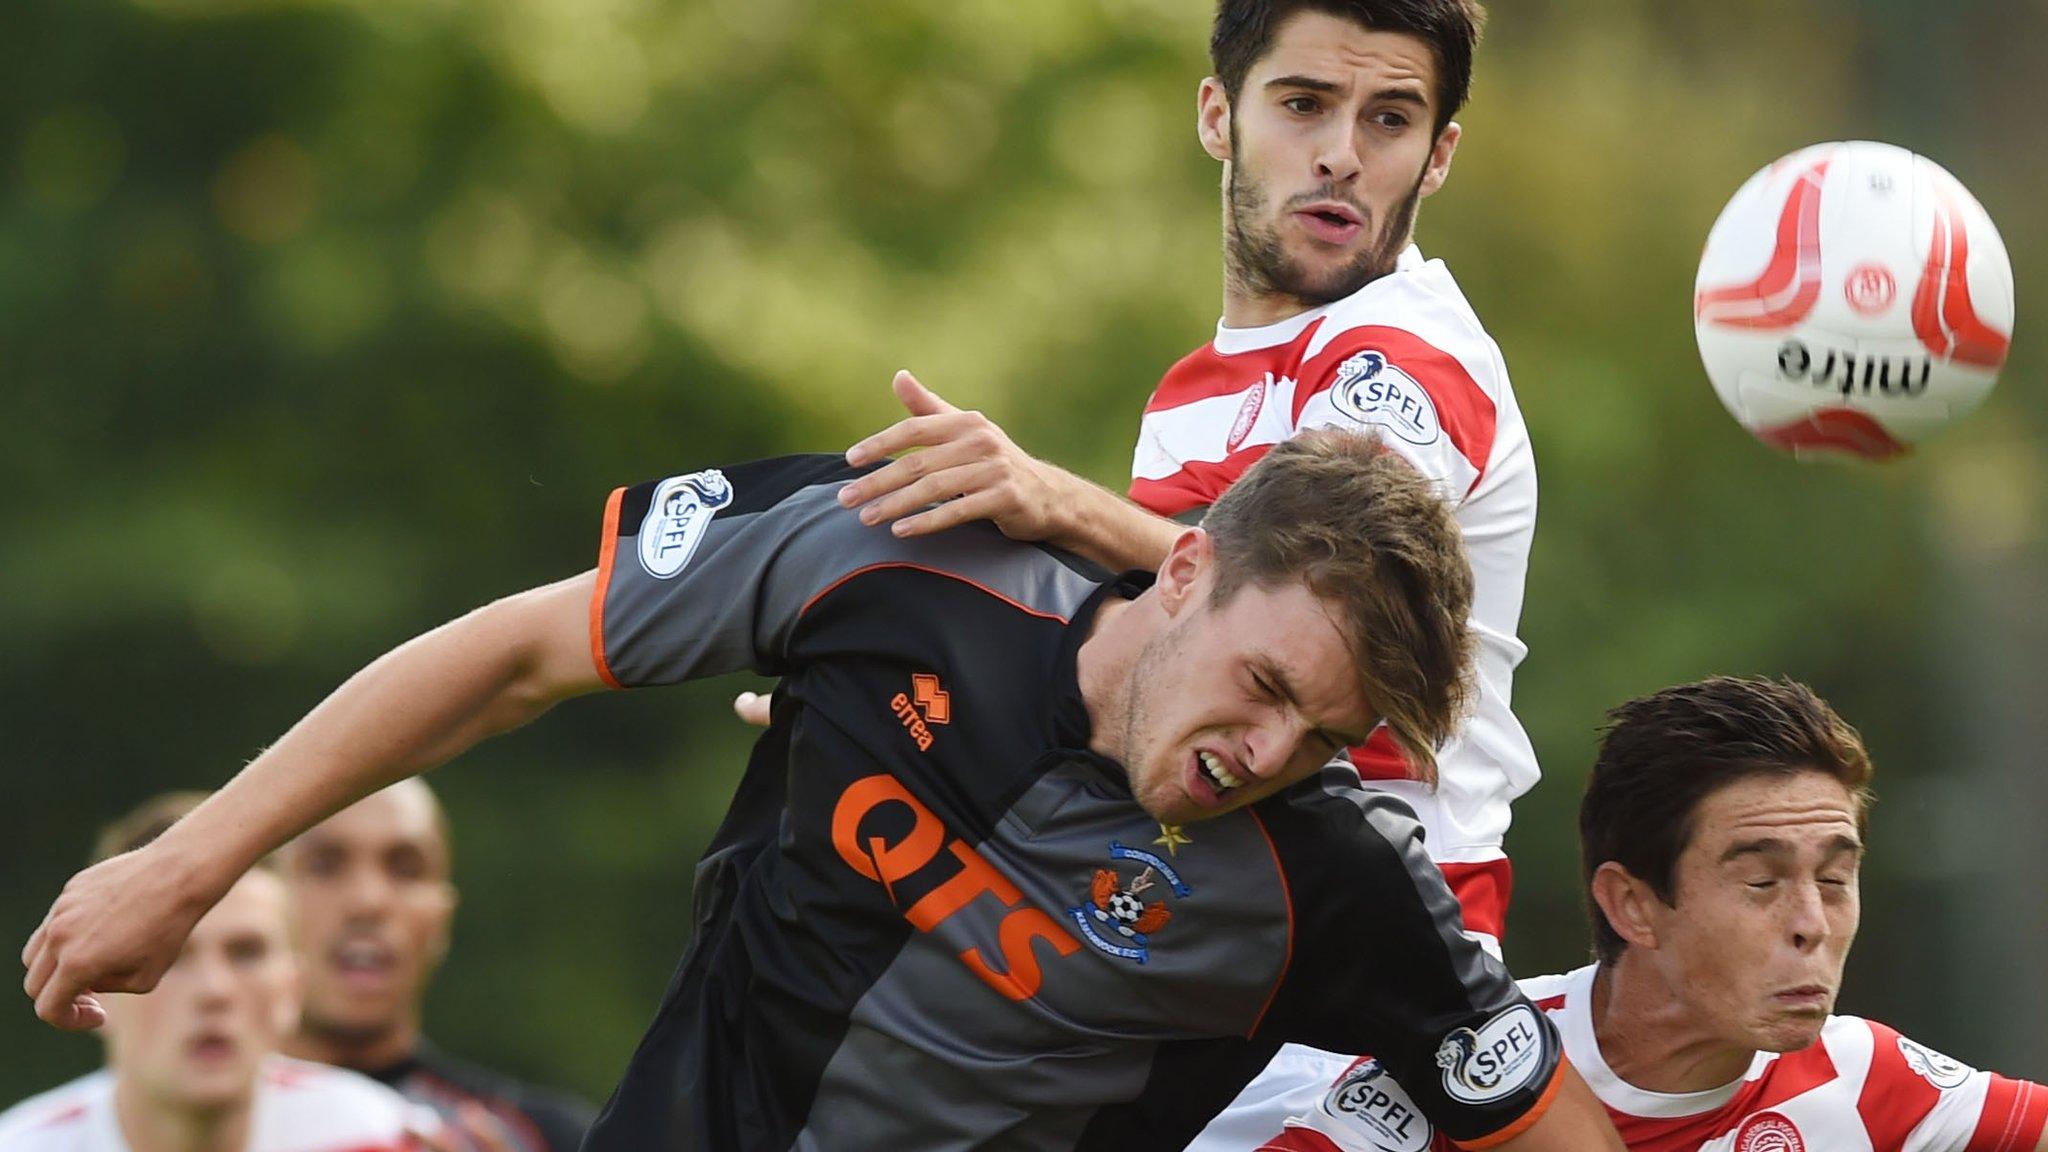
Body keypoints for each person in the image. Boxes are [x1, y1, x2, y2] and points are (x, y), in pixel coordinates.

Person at [22, 434, 1624, 1150]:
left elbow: (1539, 1114)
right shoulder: (896, 556)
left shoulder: (1326, 877)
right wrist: (192, 862)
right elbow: (513, 657)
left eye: (1318, 737)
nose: (1264, 754)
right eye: (1266, 689)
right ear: (1183, 567)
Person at [820, 0, 1532, 953]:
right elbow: (1143, 654)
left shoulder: (1398, 364)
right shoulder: (1193, 390)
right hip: (1201, 910)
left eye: (1389, 120)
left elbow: (1317, 605)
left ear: (1438, 156)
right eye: (1303, 103)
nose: (1342, 156)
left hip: (1373, 939)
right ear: (1216, 116)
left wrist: (1055, 501)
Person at [1187, 677, 2048, 1151]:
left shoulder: (1869, 1082)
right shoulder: (1464, 1070)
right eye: (1762, 882)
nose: (1811, 924)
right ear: (1632, 903)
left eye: (1834, 879)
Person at [0, 795, 431, 1152]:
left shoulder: (383, 1137)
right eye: (168, 958)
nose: (215, 990)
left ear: (293, 986)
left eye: (246, 953)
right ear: (95, 991)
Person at [276, 781, 596, 1152]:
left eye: (406, 869)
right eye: (326, 866)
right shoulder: (202, 1124)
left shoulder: (552, 1138)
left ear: (443, 919)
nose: (367, 901)